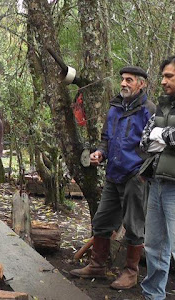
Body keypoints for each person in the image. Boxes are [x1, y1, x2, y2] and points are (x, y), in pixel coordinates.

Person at [70, 66, 156, 290]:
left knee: (134, 226)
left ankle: (130, 272)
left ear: (141, 84)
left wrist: (142, 173)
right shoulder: (115, 108)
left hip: (135, 176)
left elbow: (154, 146)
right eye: (122, 80)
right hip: (113, 174)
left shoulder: (148, 110)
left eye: (129, 80)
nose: (124, 84)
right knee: (101, 221)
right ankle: (97, 265)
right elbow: (106, 139)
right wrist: (100, 153)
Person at [140, 56, 175, 299]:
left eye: (169, 76)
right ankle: (153, 295)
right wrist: (163, 136)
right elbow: (143, 142)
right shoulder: (163, 106)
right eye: (163, 76)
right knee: (154, 246)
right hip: (157, 182)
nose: (163, 81)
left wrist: (159, 136)